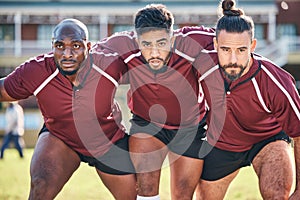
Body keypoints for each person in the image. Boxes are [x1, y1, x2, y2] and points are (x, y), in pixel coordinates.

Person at [0, 18, 137, 199]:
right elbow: (3, 91)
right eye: (59, 46)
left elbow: (149, 70)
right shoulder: (37, 71)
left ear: (88, 47)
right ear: (52, 47)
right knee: (41, 185)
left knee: (134, 196)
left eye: (76, 46)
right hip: (61, 138)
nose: (67, 54)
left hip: (107, 142)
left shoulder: (109, 64)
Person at [99, 4, 215, 200]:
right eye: (146, 44)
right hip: (147, 124)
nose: (154, 53)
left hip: (191, 127)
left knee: (183, 194)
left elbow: (232, 39)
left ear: (173, 38)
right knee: (146, 188)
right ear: (137, 40)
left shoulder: (193, 41)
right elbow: (87, 59)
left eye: (161, 43)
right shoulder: (122, 44)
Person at [193, 0, 300, 199]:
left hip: (267, 140)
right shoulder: (202, 62)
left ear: (252, 45)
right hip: (222, 143)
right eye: (225, 50)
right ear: (215, 44)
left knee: (277, 195)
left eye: (241, 50)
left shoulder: (276, 81)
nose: (233, 59)